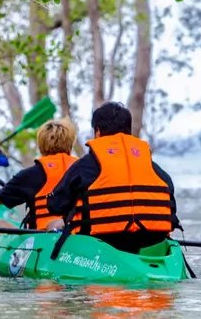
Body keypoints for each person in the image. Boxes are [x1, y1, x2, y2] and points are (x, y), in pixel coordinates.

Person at [45, 102, 180, 253]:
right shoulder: (153, 168)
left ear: (97, 132)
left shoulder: (86, 166)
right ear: (129, 132)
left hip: (103, 242)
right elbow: (171, 208)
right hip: (150, 240)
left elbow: (55, 204)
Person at [0, 118, 78, 229]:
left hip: (43, 237)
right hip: (80, 232)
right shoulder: (83, 168)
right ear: (70, 145)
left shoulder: (30, 174)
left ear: (41, 145)